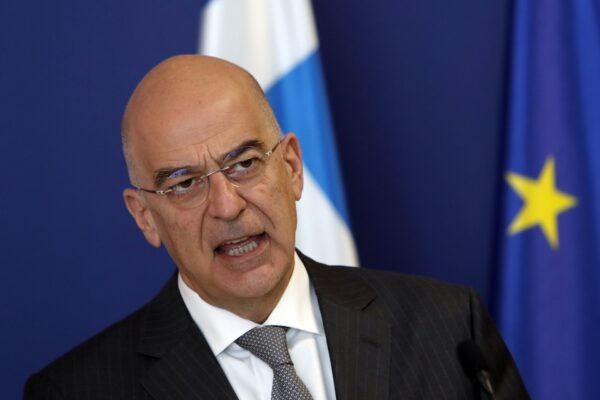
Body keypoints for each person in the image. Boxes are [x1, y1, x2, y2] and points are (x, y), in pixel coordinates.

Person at [24, 55, 529, 399]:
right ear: (144, 216)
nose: (227, 206)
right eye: (185, 184)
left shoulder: (447, 328)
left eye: (244, 164)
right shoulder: (76, 390)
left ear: (291, 167)